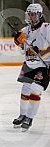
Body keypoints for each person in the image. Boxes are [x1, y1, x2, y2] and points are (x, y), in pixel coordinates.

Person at [13, 3, 50, 132]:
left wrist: (40, 51)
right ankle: (22, 115)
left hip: (44, 65)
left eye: (33, 14)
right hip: (29, 64)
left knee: (35, 89)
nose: (31, 16)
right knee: (25, 90)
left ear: (39, 15)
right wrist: (17, 40)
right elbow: (21, 47)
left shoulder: (46, 28)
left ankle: (29, 117)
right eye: (29, 14)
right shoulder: (25, 30)